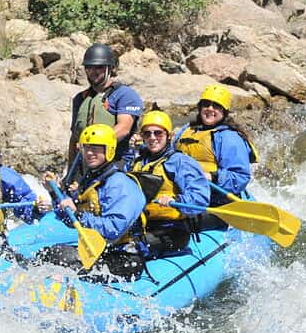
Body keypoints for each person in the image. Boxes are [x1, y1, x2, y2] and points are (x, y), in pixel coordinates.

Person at [43, 123, 148, 279]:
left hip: (125, 257)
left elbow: (113, 229)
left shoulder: (120, 184)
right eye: (87, 148)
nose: (90, 153)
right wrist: (53, 192)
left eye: (97, 148)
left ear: (109, 149)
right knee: (48, 253)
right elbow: (70, 218)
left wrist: (78, 215)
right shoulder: (92, 179)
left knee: (63, 260)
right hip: (100, 251)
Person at [129, 110, 211, 253]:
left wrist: (176, 199)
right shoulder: (137, 162)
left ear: (169, 136)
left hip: (173, 231)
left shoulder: (180, 162)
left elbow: (201, 198)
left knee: (128, 249)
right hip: (142, 227)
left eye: (158, 133)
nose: (152, 138)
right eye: (147, 133)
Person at [174, 84, 258, 207]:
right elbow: (167, 154)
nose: (210, 109)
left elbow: (240, 178)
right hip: (185, 192)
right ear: (200, 107)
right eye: (206, 104)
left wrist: (213, 177)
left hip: (215, 199)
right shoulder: (187, 130)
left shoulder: (229, 138)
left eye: (216, 106)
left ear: (224, 111)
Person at [67, 43, 143, 175]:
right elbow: (74, 139)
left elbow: (124, 128)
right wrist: (70, 173)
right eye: (89, 67)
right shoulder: (80, 99)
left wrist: (90, 145)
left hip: (116, 165)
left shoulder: (124, 95)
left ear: (110, 68)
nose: (93, 71)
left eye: (99, 67)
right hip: (86, 166)